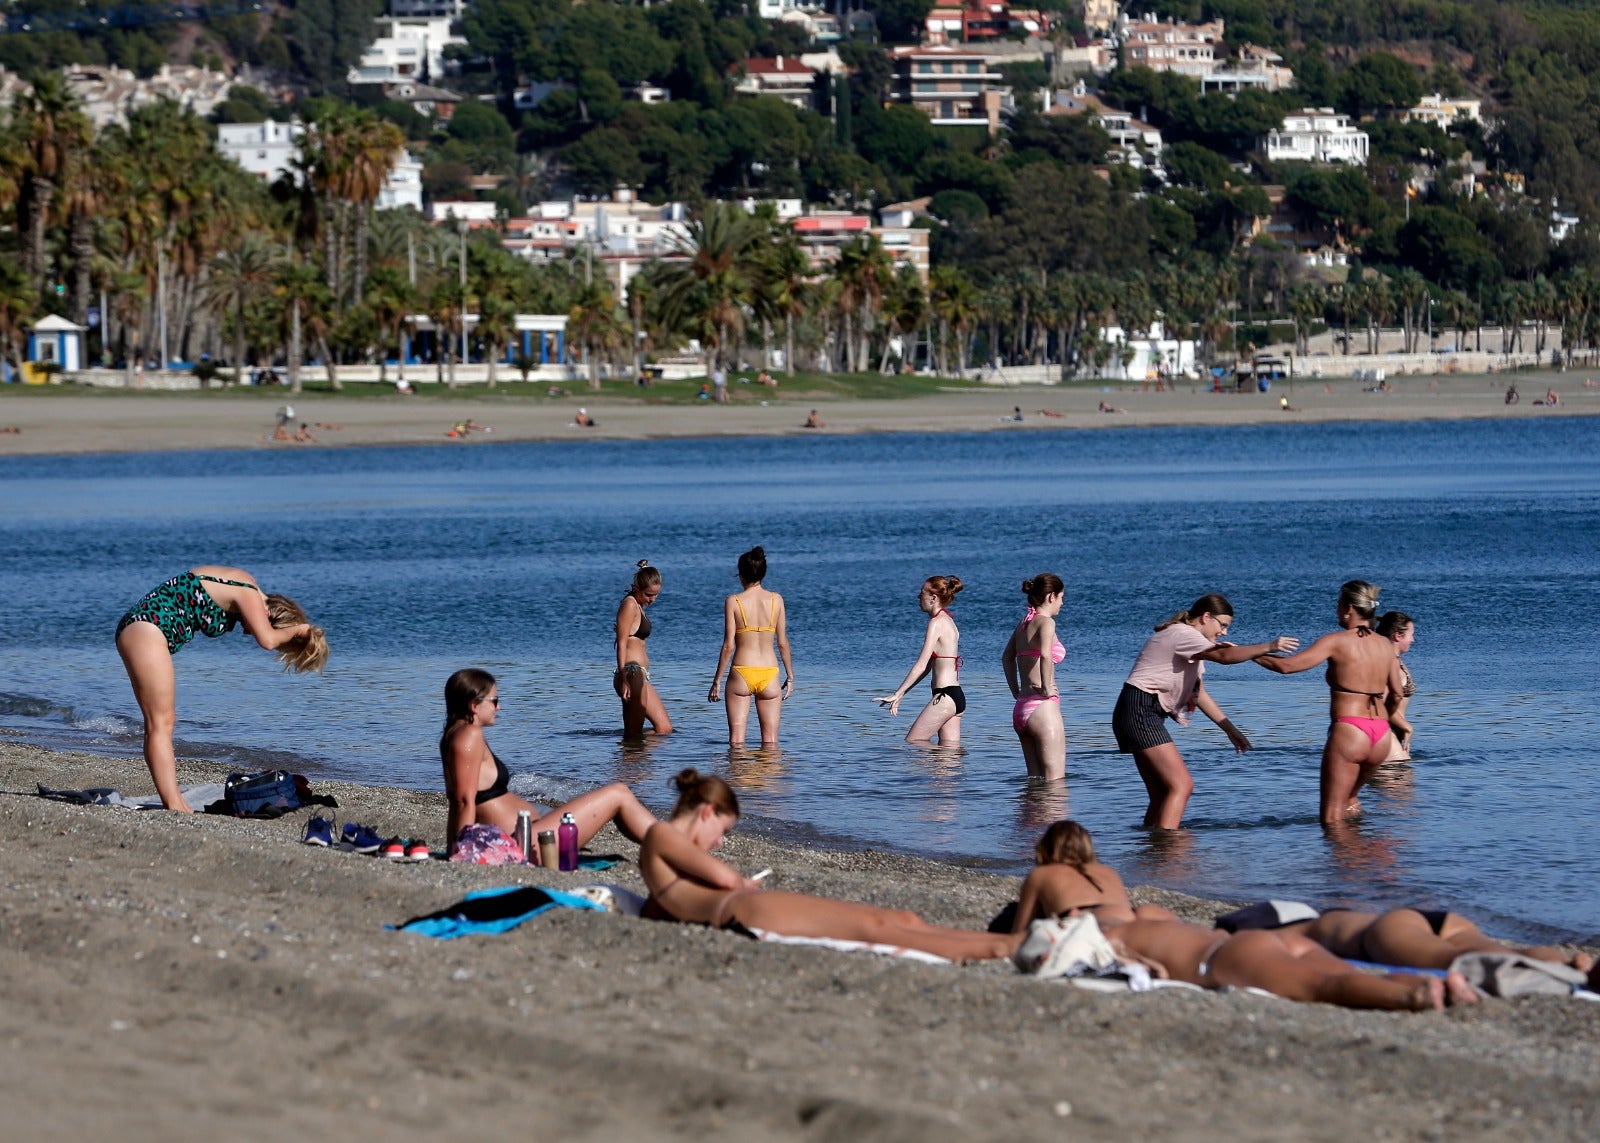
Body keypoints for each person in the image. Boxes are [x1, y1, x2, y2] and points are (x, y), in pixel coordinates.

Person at [639, 769, 1021, 961]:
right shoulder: (661, 833)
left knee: (898, 919)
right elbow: (725, 878)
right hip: (744, 910)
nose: (719, 842)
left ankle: (1005, 943)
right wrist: (740, 881)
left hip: (743, 908)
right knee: (877, 929)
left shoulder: (667, 856)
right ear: (707, 812)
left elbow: (657, 911)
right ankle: (1006, 947)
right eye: (722, 830)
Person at [116, 567, 327, 812]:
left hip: (145, 629)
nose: (247, 632)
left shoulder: (245, 583)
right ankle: (174, 804)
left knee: (161, 722)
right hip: (147, 630)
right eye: (254, 627)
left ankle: (176, 802)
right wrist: (302, 630)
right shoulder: (248, 593)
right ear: (270, 616)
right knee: (160, 723)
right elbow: (268, 640)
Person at [1113, 593, 1299, 829]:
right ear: (1206, 617)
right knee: (1182, 785)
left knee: (1162, 792)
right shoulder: (1183, 634)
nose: (1224, 632)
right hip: (1140, 710)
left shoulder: (1188, 641)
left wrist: (1229, 729)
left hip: (1135, 711)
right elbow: (1223, 656)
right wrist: (1270, 646)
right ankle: (1169, 843)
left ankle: (1152, 842)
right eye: (1223, 625)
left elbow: (1198, 693)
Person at [439, 668, 656, 858]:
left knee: (615, 795)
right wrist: (462, 852)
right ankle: (668, 844)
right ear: (474, 705)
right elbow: (463, 801)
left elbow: (458, 801)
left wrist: (453, 847)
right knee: (619, 793)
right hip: (522, 843)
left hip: (522, 835)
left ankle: (666, 843)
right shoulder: (469, 735)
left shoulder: (454, 734)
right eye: (494, 701)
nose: (499, 707)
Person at [1251, 580, 1407, 823]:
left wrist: (1251, 653)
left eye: (1338, 604)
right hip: (1380, 735)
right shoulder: (1385, 645)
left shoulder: (1336, 641)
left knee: (1331, 818)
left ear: (1349, 608)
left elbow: (1287, 666)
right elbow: (1397, 693)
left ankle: (1343, 849)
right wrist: (1383, 721)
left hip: (1351, 731)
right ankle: (1369, 847)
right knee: (1350, 802)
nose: (1336, 609)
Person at [1095, 914, 1469, 1010]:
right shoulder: (1149, 915)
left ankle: (1415, 997)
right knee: (1350, 976)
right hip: (1265, 940)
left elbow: (1132, 967)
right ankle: (1445, 988)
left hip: (1226, 958)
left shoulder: (1107, 941)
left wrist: (1144, 965)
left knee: (1325, 988)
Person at [709, 546, 794, 746]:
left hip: (742, 672)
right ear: (763, 572)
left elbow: (728, 646)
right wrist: (790, 677)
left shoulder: (733, 601)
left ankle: (737, 768)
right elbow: (782, 643)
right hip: (770, 673)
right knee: (771, 742)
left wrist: (717, 681)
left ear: (740, 574)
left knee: (736, 742)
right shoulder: (776, 600)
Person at [874, 575, 965, 744]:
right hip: (956, 696)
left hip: (945, 697)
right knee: (949, 756)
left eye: (922, 593)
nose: (918, 597)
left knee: (914, 743)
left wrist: (896, 693)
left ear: (933, 598)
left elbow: (921, 665)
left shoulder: (936, 623)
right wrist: (902, 694)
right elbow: (928, 668)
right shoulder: (949, 620)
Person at [1011, 821, 1140, 930]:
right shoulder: (1110, 871)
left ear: (1044, 849)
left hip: (1085, 927)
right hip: (1127, 925)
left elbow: (1020, 932)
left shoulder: (1040, 874)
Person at [1001, 574, 1067, 781]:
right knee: (1055, 781)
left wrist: (1015, 691)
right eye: (1061, 597)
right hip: (1042, 708)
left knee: (1034, 781)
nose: (1062, 603)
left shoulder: (1024, 623)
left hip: (1021, 707)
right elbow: (1046, 655)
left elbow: (1006, 657)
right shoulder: (1046, 623)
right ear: (1051, 596)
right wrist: (1046, 687)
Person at [614, 560, 672, 737]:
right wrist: (624, 678)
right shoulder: (630, 604)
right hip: (631, 674)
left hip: (640, 675)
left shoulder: (638, 605)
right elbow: (621, 643)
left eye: (656, 595)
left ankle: (632, 754)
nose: (652, 599)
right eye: (648, 595)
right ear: (637, 588)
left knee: (664, 729)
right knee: (633, 735)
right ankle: (631, 754)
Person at [1376, 610, 1416, 761]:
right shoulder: (1390, 663)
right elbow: (1381, 703)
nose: (1413, 640)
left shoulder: (1390, 659)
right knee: (1401, 773)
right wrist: (1407, 727)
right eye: (1411, 635)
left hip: (1391, 733)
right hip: (1387, 733)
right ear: (1398, 636)